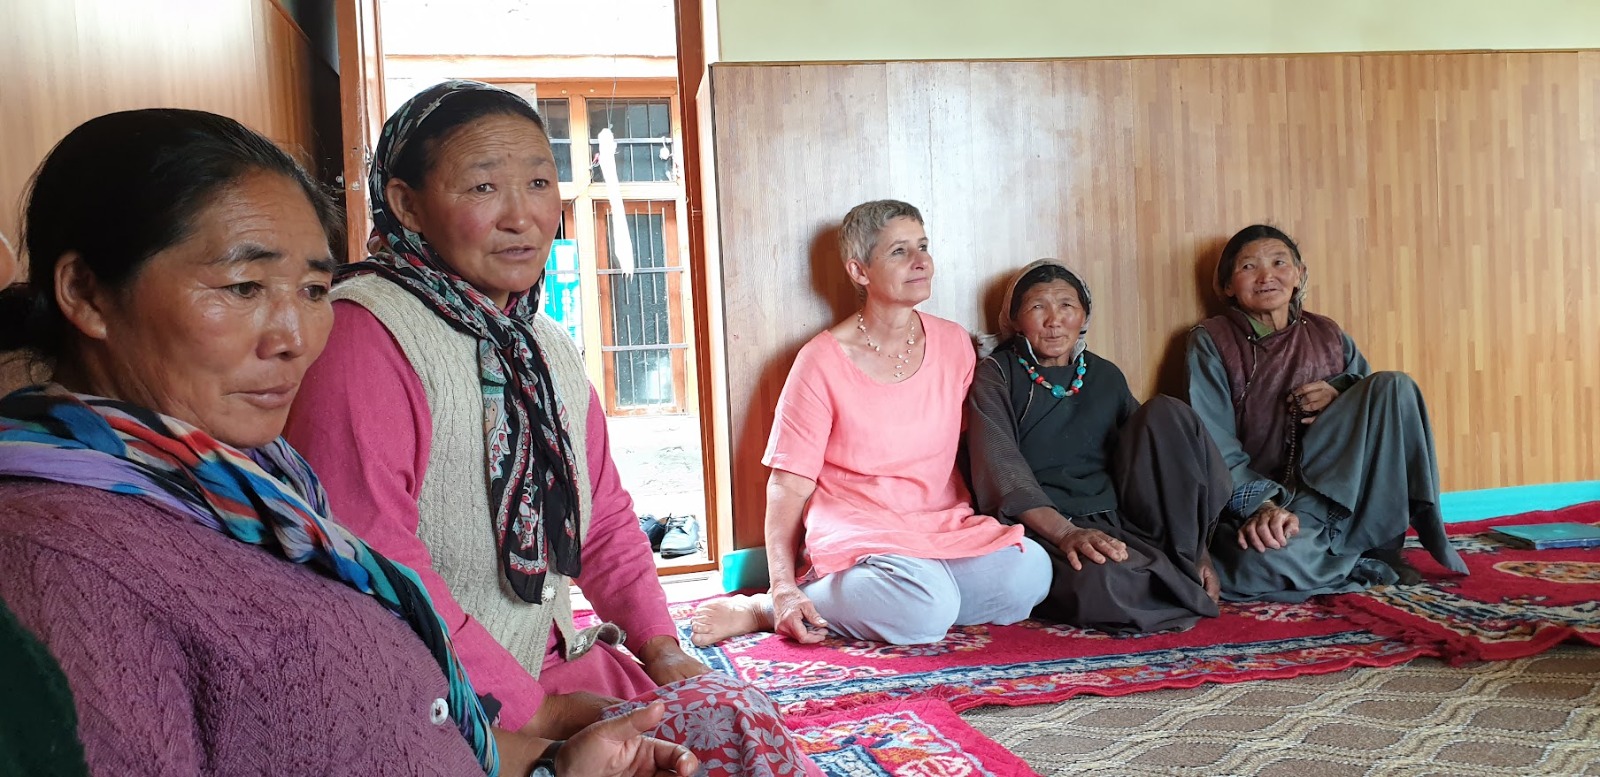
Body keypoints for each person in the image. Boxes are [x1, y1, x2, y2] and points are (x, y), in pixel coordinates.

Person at [0, 108, 698, 776]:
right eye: (243, 286)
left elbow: (397, 720)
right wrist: (534, 715)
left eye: (310, 288)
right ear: (87, 294)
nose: (295, 339)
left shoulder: (257, 482)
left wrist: (552, 760)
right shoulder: (62, 561)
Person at [285, 82, 815, 775]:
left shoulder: (542, 342)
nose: (521, 216)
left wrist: (660, 647)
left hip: (552, 660)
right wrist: (527, 707)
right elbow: (376, 561)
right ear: (407, 202)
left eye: (539, 181)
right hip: (433, 688)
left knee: (733, 718)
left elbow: (603, 519)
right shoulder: (366, 332)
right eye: (482, 187)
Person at [690, 200, 1051, 647]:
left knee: (1032, 570)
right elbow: (788, 485)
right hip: (860, 530)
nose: (921, 262)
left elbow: (968, 444)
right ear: (859, 272)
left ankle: (914, 601)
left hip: (938, 526)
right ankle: (769, 609)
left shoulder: (955, 343)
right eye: (899, 251)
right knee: (925, 607)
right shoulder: (820, 361)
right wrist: (780, 585)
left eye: (923, 246)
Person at [1186, 224, 1468, 602]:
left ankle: (1380, 546)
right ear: (1227, 287)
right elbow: (1211, 437)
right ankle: (1356, 559)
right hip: (1275, 503)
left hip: (1342, 496)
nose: (1267, 275)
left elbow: (1384, 416)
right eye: (1249, 267)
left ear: (1300, 274)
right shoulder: (1212, 340)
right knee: (1257, 563)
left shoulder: (1328, 334)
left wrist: (1342, 392)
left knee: (1396, 387)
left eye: (1279, 262)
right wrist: (1262, 507)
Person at [966, 260, 1230, 634]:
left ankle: (1185, 562)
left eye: (1066, 306)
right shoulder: (998, 374)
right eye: (1038, 306)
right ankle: (1167, 582)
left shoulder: (1103, 373)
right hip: (1045, 524)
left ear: (1084, 315)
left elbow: (1156, 454)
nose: (1054, 320)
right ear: (1015, 319)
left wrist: (1199, 550)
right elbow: (1000, 467)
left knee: (1169, 413)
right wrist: (1066, 533)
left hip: (1117, 518)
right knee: (1105, 582)